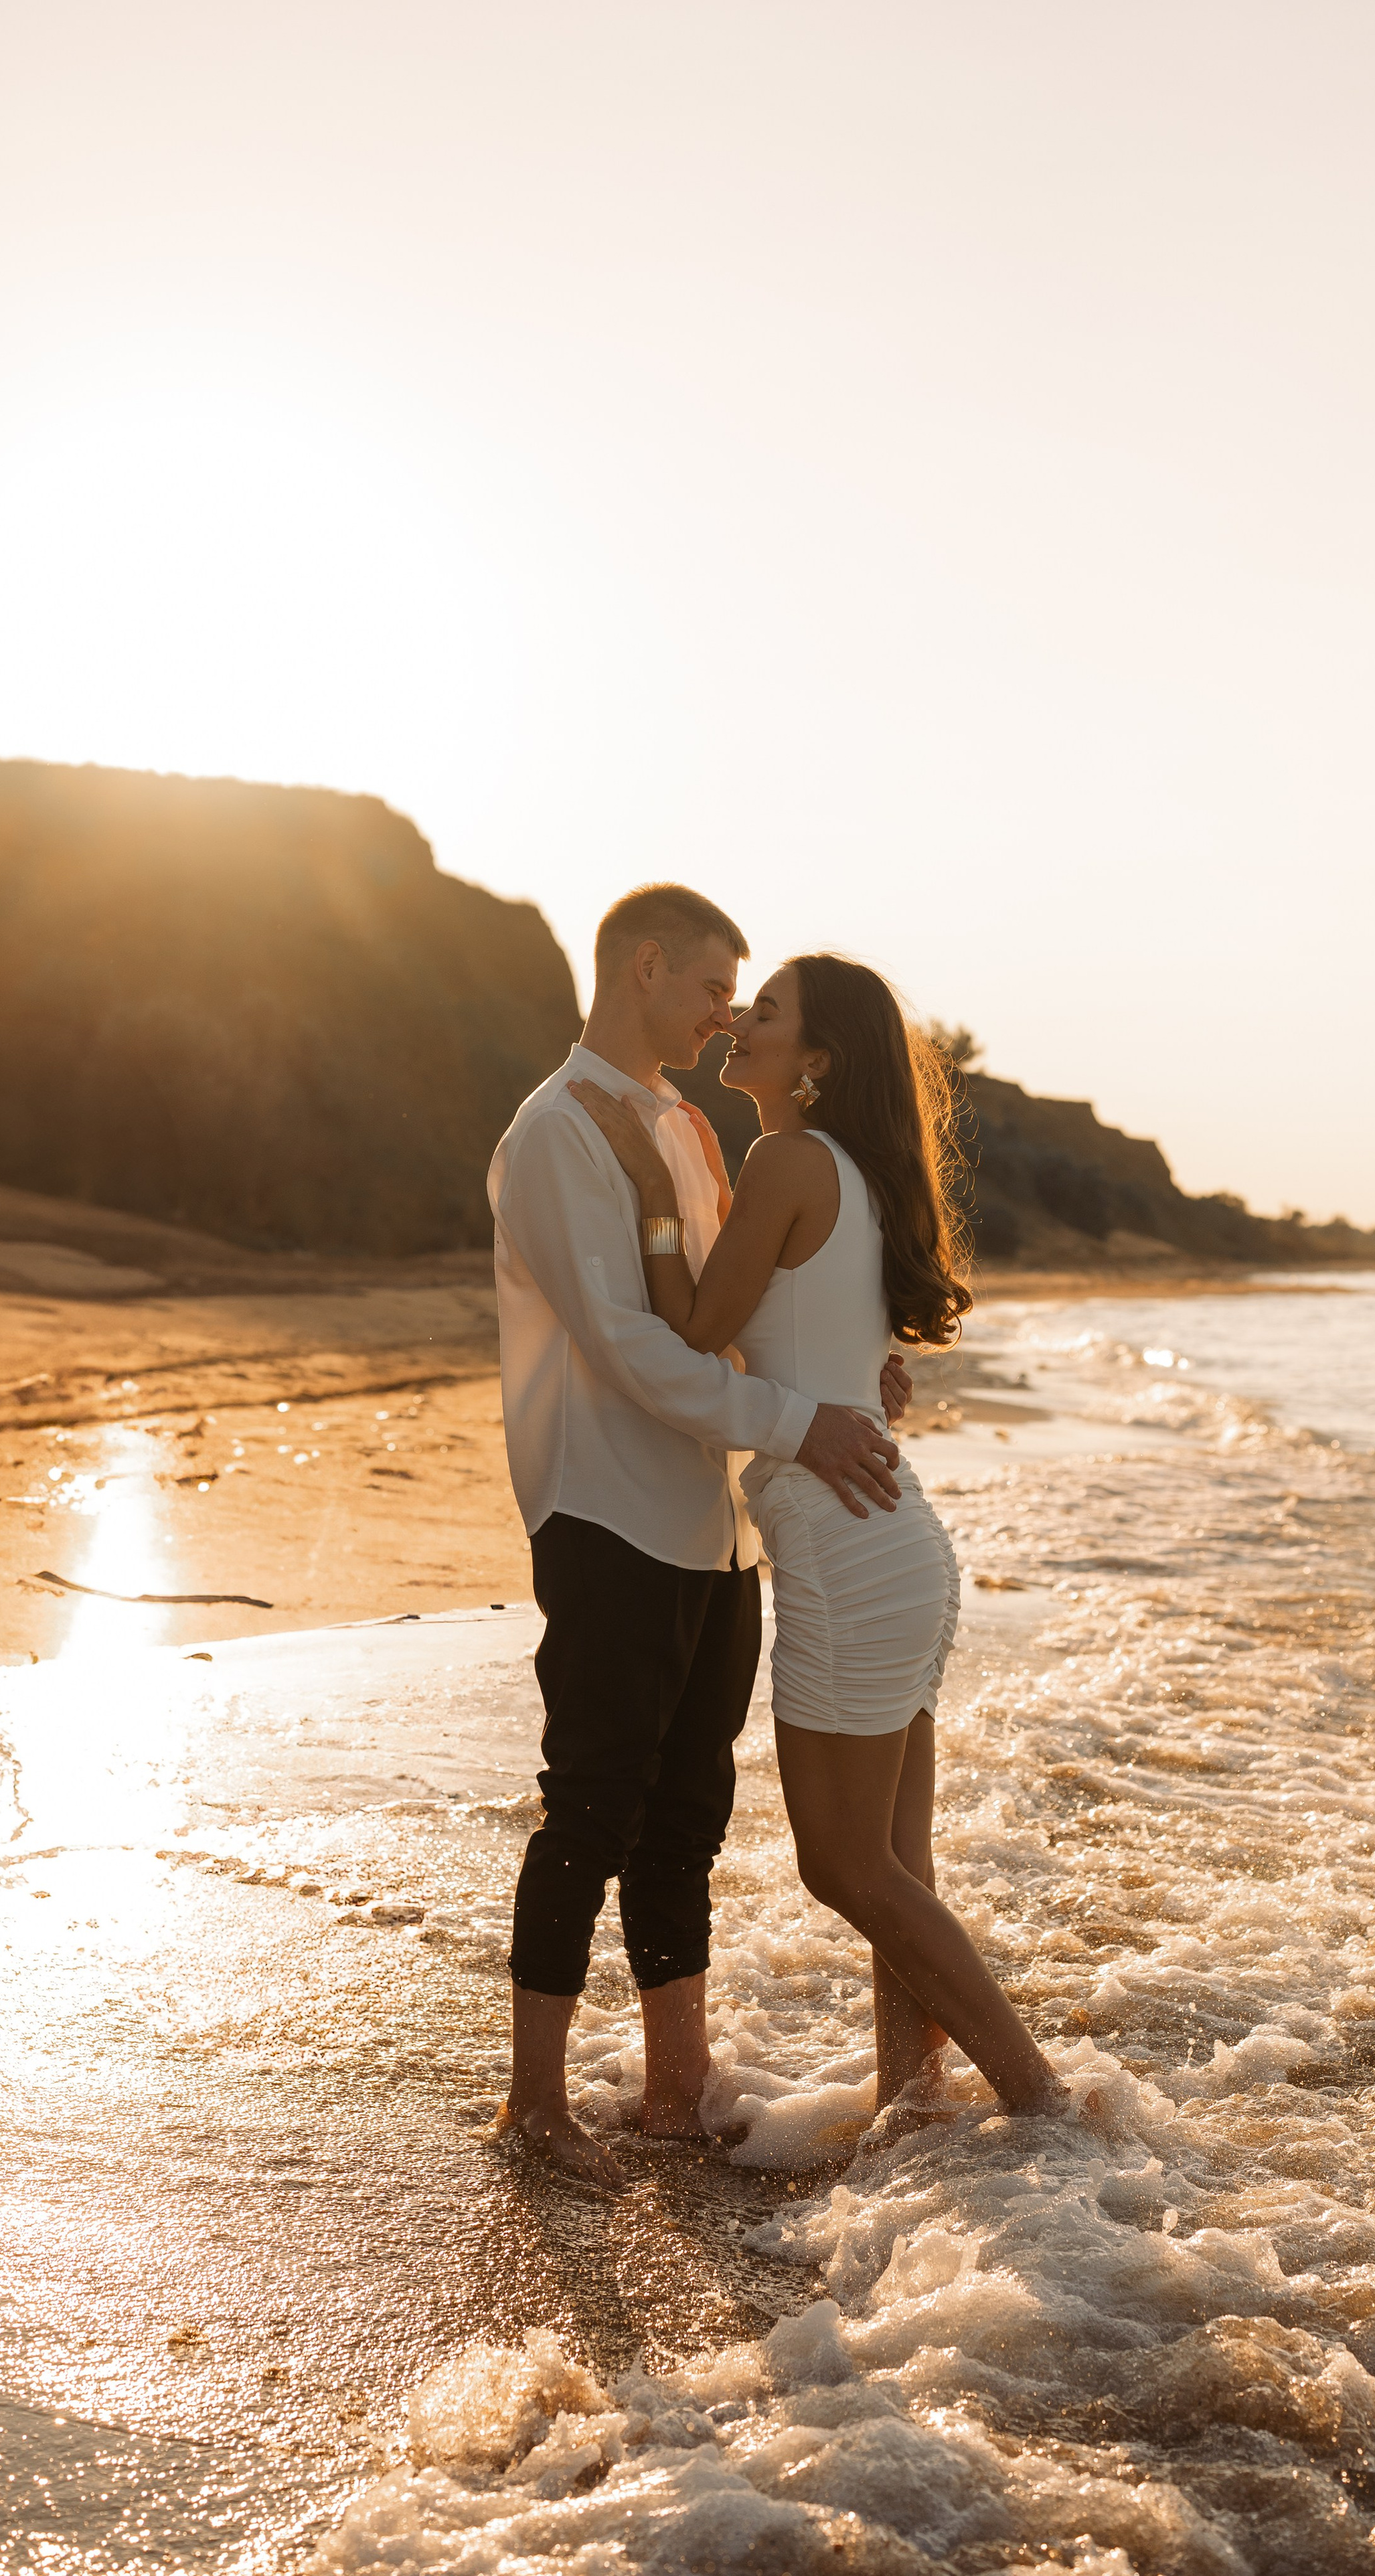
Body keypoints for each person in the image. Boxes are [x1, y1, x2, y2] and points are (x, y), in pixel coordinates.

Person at [571, 952, 1067, 2136]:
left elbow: (695, 1330)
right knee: (896, 1871)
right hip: (897, 1541)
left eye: (771, 1010)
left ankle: (1048, 2105)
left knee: (843, 1869)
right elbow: (820, 1351)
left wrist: (645, 1182)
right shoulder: (849, 1170)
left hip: (852, 1554)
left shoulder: (786, 1159)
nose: (740, 1019)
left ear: (820, 1060)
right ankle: (918, 2108)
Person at [488, 886, 914, 2186]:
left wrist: (852, 1372)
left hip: (708, 1526)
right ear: (645, 966)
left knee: (686, 1820)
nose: (726, 1014)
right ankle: (533, 2105)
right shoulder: (556, 1131)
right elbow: (625, 1351)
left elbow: (729, 1312)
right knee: (590, 1812)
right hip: (605, 1509)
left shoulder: (681, 1124)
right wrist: (798, 1422)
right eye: (713, 989)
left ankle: (675, 2088)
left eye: (745, 998)